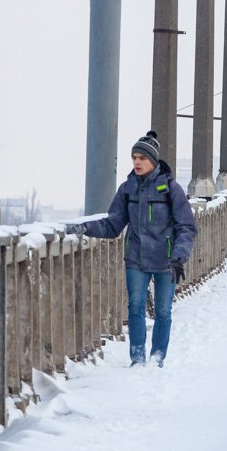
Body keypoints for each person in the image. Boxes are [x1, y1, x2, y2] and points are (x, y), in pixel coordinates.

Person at [69, 131, 196, 367]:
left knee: (163, 311)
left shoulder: (171, 189)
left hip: (167, 260)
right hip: (136, 258)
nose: (137, 162)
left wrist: (179, 256)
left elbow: (187, 227)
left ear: (153, 160)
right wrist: (85, 227)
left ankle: (157, 356)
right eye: (134, 157)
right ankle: (137, 358)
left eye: (141, 158)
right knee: (135, 307)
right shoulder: (127, 189)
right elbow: (113, 224)